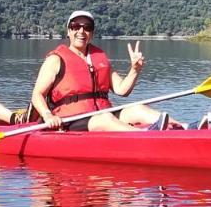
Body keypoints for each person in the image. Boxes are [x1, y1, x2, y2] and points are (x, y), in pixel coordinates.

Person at [30, 10, 184, 132]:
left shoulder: (99, 58)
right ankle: (146, 136)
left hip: (102, 112)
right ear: (69, 31)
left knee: (137, 109)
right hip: (70, 119)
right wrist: (47, 115)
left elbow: (121, 90)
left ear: (92, 33)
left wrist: (135, 69)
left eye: (87, 27)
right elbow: (37, 95)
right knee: (104, 119)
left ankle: (184, 127)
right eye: (76, 26)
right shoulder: (55, 60)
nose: (81, 31)